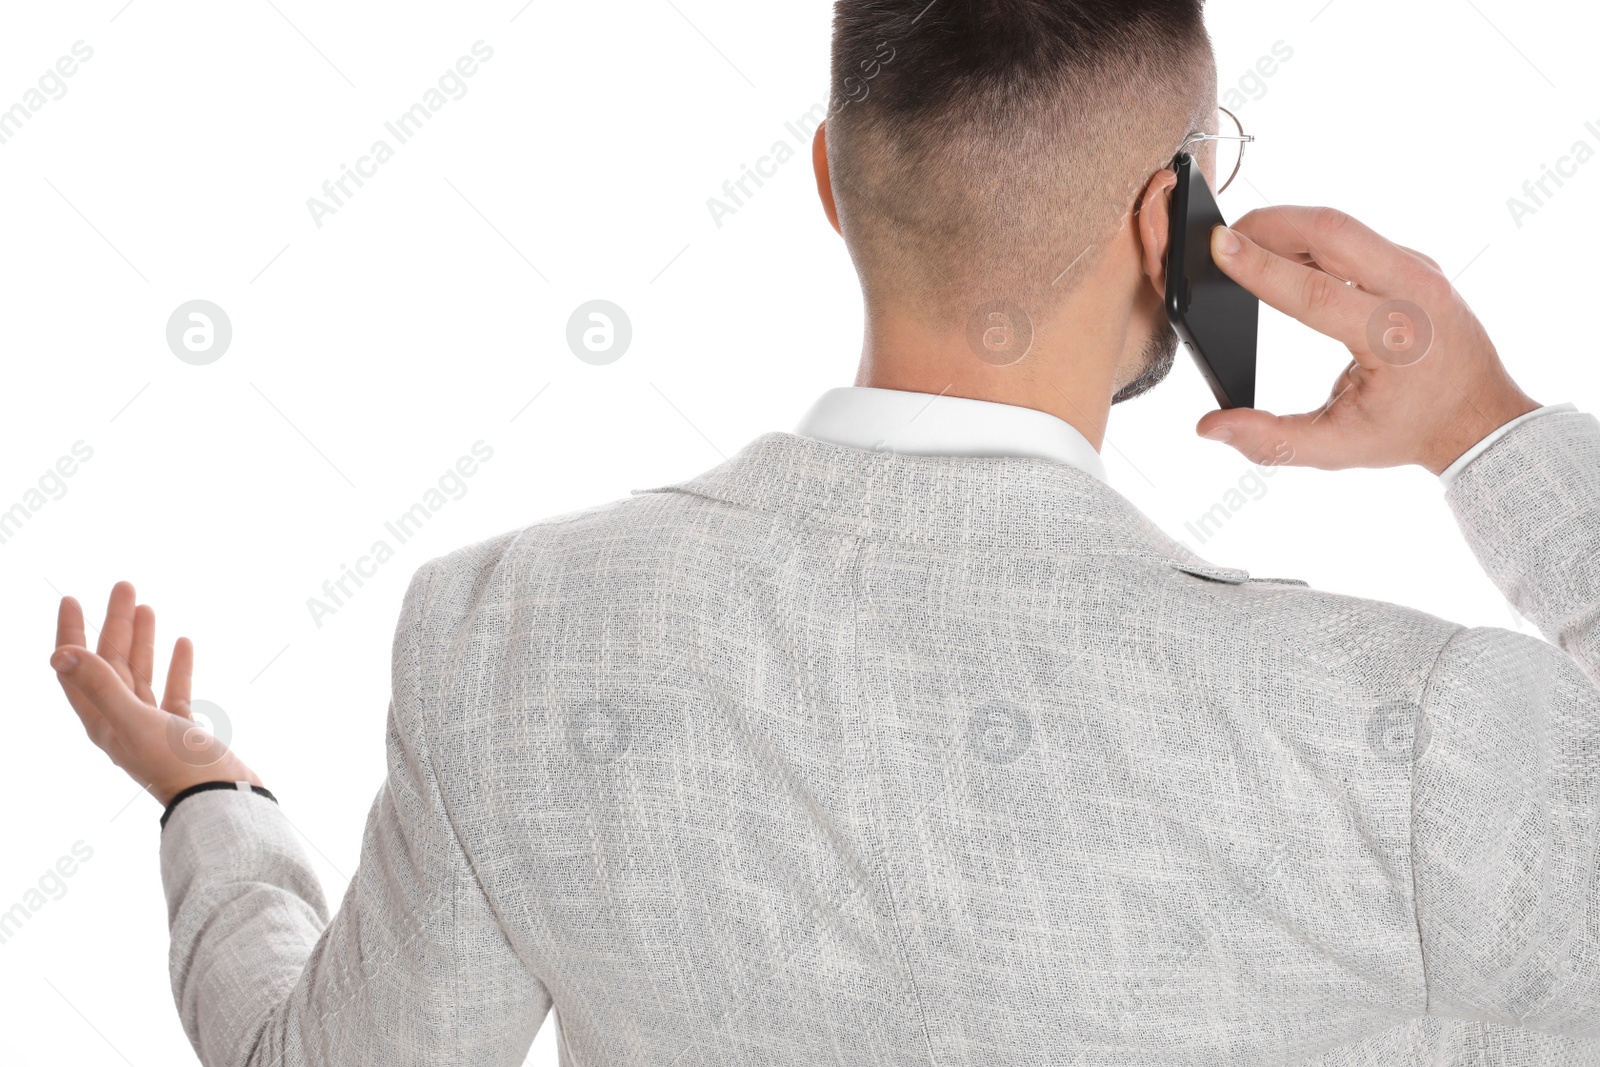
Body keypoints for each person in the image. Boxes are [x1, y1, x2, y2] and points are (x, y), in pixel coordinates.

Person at [48, 1, 1599, 1063]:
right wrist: (1488, 425)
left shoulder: (504, 633)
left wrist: (212, 798)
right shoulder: (1416, 738)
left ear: (828, 187)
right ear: (1170, 223)